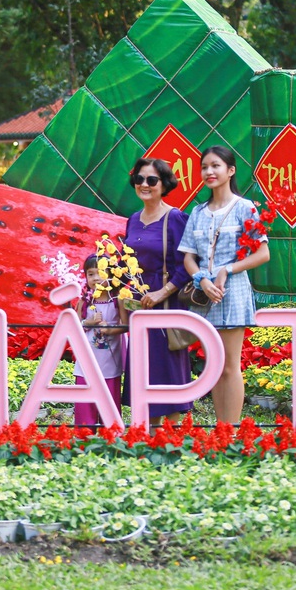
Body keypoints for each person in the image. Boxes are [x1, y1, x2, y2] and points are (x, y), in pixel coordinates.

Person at [179, 146, 271, 424]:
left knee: (230, 365)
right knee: (213, 365)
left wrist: (226, 270)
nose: (209, 172)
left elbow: (262, 254)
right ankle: (221, 427)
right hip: (204, 294)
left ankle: (229, 431)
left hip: (232, 293)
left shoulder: (246, 208)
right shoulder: (197, 212)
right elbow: (188, 257)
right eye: (204, 166)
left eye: (216, 166)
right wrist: (202, 279)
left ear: (230, 171)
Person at [120, 158, 192, 427]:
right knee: (144, 369)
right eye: (139, 179)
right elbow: (125, 263)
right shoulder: (133, 220)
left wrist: (164, 291)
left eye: (152, 180)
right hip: (140, 306)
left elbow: (188, 264)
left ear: (164, 185)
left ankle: (171, 438)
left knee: (168, 371)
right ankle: (149, 434)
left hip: (166, 306)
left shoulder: (174, 218)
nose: (144, 185)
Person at [75, 254, 126, 426]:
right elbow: (74, 326)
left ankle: (110, 439)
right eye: (91, 274)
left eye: (101, 273)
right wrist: (88, 322)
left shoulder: (117, 300)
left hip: (110, 362)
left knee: (109, 404)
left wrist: (110, 329)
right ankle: (84, 440)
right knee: (85, 402)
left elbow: (127, 325)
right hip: (86, 362)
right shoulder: (84, 301)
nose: (96, 278)